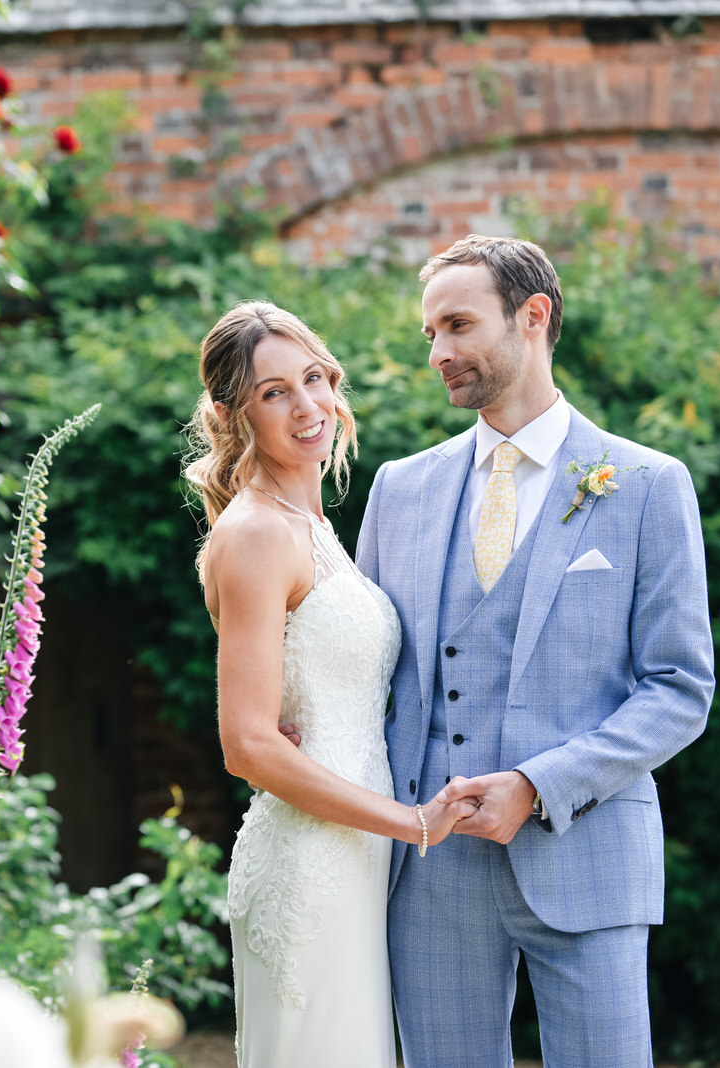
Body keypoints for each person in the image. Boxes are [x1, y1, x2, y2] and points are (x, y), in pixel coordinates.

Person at [356, 235, 716, 1066]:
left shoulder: (647, 484)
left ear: (534, 315)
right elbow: (367, 668)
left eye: (457, 325)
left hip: (587, 857)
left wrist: (536, 784)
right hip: (431, 873)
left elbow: (678, 688)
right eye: (429, 335)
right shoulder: (399, 490)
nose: (439, 352)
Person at [185, 301, 479, 1068]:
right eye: (275, 391)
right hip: (311, 864)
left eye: (314, 378)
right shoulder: (253, 533)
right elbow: (248, 743)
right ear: (230, 413)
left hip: (357, 852)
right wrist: (411, 821)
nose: (309, 405)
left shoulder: (309, 525)